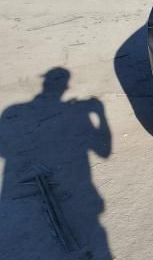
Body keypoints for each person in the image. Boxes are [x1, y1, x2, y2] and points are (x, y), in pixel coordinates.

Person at [0, 67, 112, 259]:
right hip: (84, 192)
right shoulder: (78, 113)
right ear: (66, 86)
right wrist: (100, 113)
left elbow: (4, 151)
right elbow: (104, 152)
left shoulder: (14, 110)